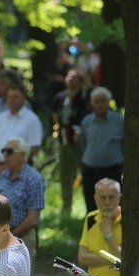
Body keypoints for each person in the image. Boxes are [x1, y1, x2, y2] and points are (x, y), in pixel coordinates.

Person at [0, 82, 43, 195]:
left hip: (18, 170)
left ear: (23, 99)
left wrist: (11, 165)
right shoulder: (1, 118)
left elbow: (34, 147)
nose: (12, 100)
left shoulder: (32, 120)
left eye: (16, 97)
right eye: (9, 97)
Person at [0, 137, 45, 255]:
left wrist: (9, 237)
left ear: (23, 155)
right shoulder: (3, 175)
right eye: (3, 151)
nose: (5, 154)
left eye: (10, 151)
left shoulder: (34, 179)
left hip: (23, 239)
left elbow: (32, 219)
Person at [80, 87, 124, 213]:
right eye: (97, 101)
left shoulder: (119, 121)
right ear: (92, 104)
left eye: (103, 101)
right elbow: (83, 143)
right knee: (91, 204)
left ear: (108, 102)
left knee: (114, 204)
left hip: (113, 170)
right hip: (90, 170)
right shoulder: (87, 121)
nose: (100, 104)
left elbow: (124, 144)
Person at [51, 69, 89, 214]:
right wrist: (57, 129)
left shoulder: (85, 97)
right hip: (64, 141)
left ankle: (89, 205)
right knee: (65, 174)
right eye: (69, 76)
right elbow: (54, 113)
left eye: (75, 77)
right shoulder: (60, 97)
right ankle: (66, 206)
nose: (71, 79)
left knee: (85, 173)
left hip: (80, 143)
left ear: (80, 81)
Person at [77, 177, 122, 276]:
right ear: (95, 199)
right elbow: (82, 258)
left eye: (111, 197)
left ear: (119, 198)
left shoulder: (128, 220)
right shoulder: (91, 219)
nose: (107, 202)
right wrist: (115, 260)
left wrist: (108, 234)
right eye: (103, 198)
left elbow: (127, 260)